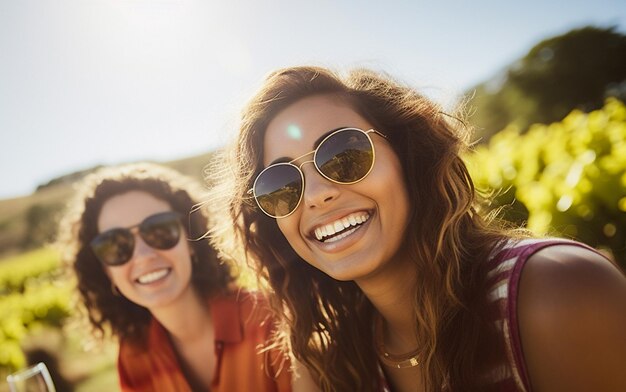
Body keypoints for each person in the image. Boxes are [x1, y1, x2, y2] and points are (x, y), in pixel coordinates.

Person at [211, 66, 626, 391]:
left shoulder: (557, 293)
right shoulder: (329, 362)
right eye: (280, 185)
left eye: (343, 153)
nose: (317, 195)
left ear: (409, 156)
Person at [57, 162, 300, 392]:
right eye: (115, 245)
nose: (143, 256)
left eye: (159, 230)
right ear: (105, 270)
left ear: (191, 238)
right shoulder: (134, 358)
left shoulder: (270, 321)